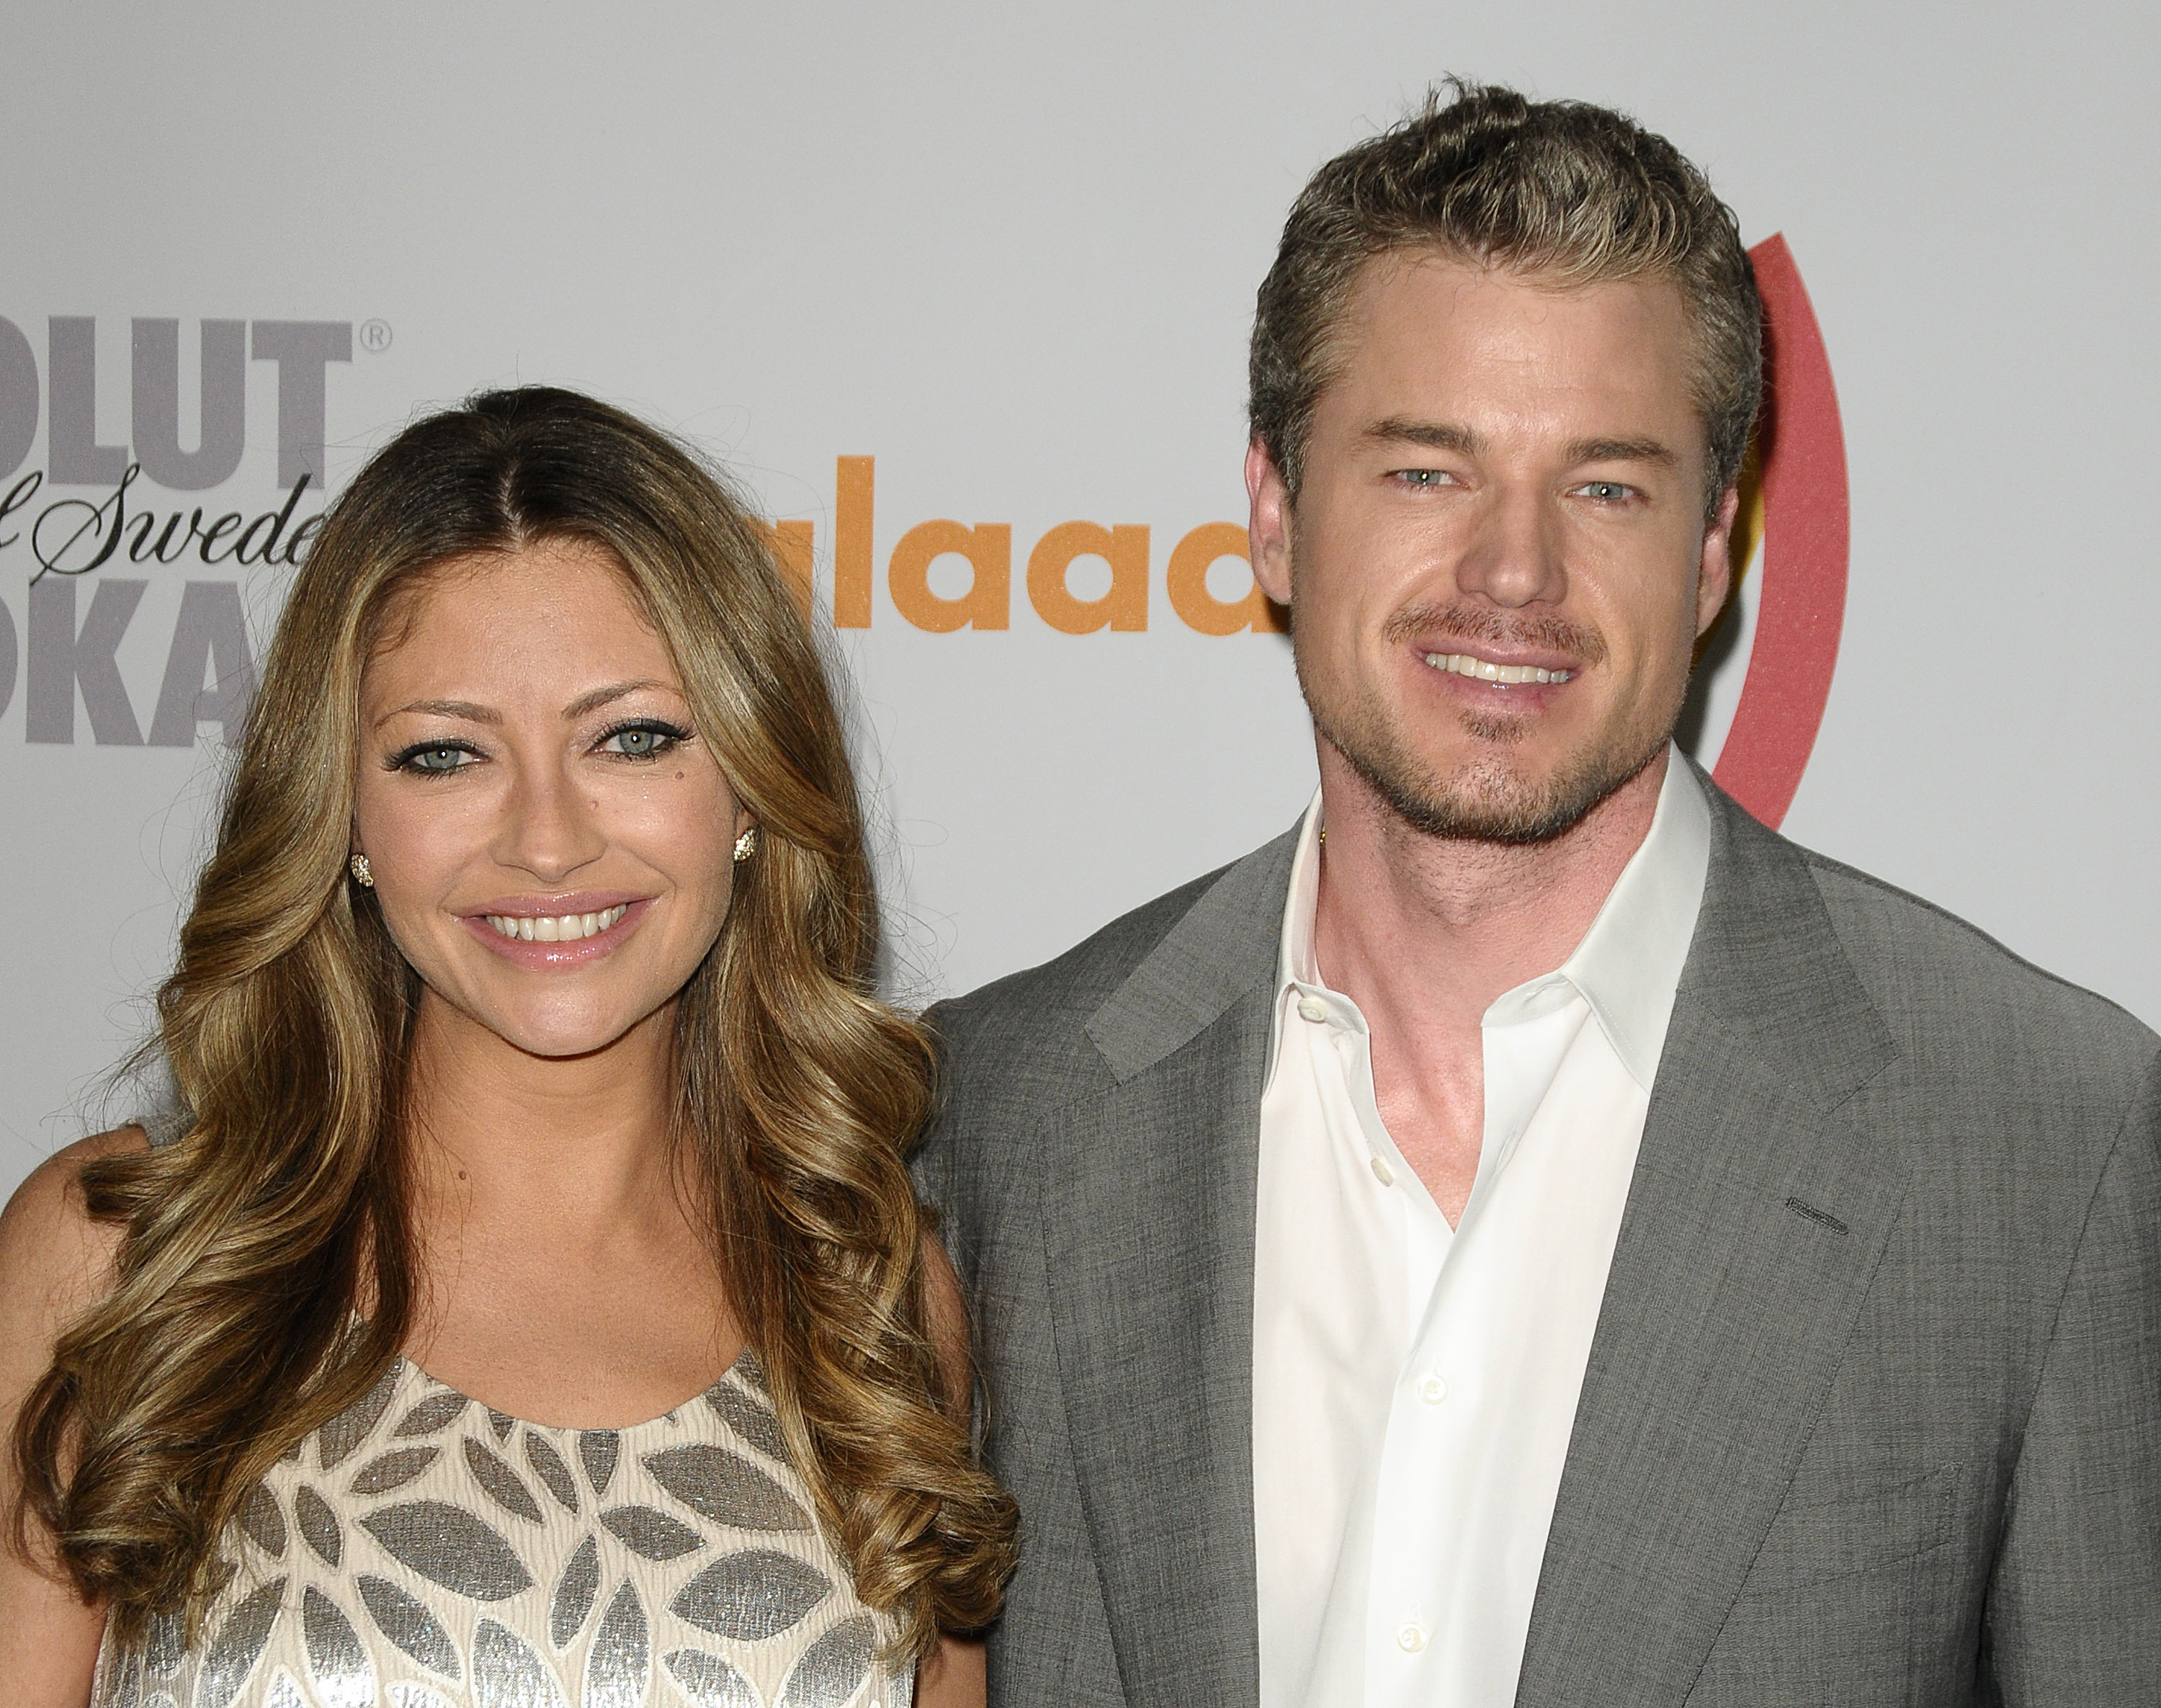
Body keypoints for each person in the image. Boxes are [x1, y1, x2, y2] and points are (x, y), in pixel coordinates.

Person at [915, 82, 2161, 1707]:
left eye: (1608, 486)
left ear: (1714, 552)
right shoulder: (997, 1118)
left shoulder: (2042, 1135)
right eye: (1428, 472)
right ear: (1277, 514)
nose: (1513, 574)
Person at [0, 386, 1016, 1708]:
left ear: (753, 790)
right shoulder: (125, 1262)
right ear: (345, 814)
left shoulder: (867, 1299)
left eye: (631, 738)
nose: (547, 840)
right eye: (443, 756)